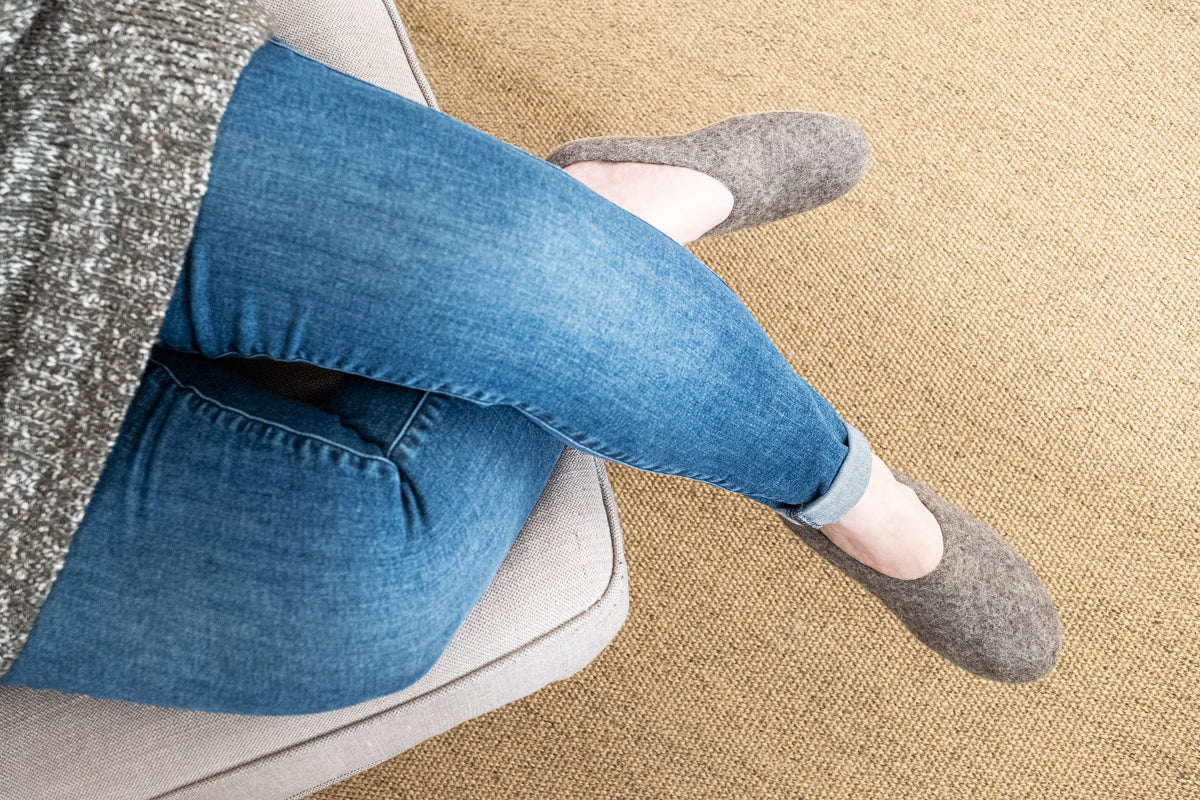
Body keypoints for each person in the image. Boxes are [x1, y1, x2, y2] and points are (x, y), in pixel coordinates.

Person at [0, 14, 1060, 716]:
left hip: (33, 133)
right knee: (355, 615)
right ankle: (608, 211)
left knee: (518, 271)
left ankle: (853, 501)